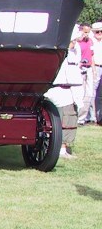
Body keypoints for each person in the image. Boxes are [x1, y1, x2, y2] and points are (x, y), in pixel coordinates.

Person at [48, 30, 85, 158]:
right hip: (59, 91)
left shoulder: (74, 52)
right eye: (72, 41)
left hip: (70, 90)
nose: (74, 43)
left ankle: (64, 148)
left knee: (70, 117)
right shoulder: (59, 53)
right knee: (63, 118)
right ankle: (60, 149)